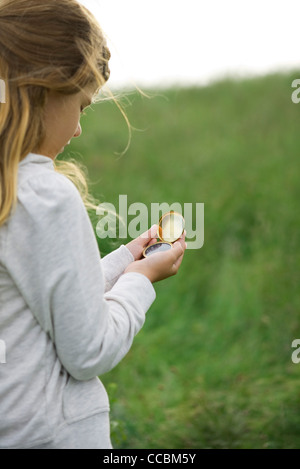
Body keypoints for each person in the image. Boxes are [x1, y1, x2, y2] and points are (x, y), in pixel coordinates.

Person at [0, 0, 186, 449]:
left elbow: (40, 302)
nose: (79, 129)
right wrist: (141, 279)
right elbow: (88, 350)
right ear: (46, 90)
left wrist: (123, 261)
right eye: (82, 105)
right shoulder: (46, 197)